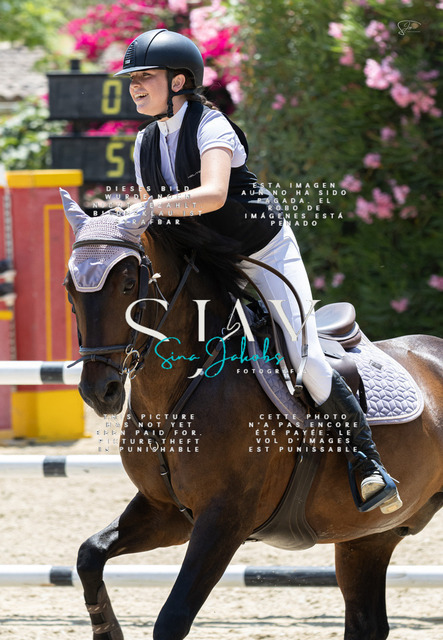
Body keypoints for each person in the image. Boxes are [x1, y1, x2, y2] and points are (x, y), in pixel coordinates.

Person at [115, 28, 402, 514]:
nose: (135, 86)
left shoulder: (211, 126)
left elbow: (212, 195)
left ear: (179, 81)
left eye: (146, 77)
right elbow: (156, 225)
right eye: (132, 79)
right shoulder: (144, 142)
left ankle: (367, 463)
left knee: (305, 357)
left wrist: (146, 208)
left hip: (261, 251)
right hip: (205, 260)